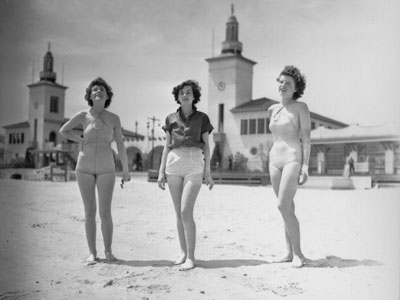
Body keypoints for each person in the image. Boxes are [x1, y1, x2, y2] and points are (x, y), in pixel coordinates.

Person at [59, 77, 130, 264]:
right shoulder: (83, 115)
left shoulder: (114, 118)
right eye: (95, 90)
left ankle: (108, 251)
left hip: (107, 167)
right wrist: (80, 139)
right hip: (84, 167)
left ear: (108, 96)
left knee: (105, 212)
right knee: (89, 211)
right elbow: (63, 131)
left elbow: (121, 145)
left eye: (102, 90)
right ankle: (92, 253)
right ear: (90, 95)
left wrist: (126, 170)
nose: (98, 92)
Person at [157, 80, 214, 271]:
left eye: (189, 92)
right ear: (177, 96)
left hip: (194, 163)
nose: (185, 95)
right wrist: (160, 172)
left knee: (185, 211)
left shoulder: (202, 118)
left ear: (194, 95)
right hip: (173, 163)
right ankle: (182, 253)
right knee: (178, 213)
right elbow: (166, 146)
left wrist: (207, 171)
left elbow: (206, 145)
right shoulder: (170, 118)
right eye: (181, 92)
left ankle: (191, 257)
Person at [267, 66, 310, 268]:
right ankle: (288, 252)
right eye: (281, 82)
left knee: (282, 205)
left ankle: (299, 254)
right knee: (287, 208)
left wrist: (306, 166)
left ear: (295, 88)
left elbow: (307, 140)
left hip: (293, 158)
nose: (283, 85)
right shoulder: (272, 110)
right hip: (274, 161)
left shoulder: (301, 108)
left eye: (288, 83)